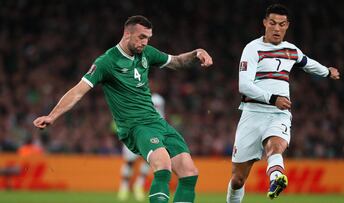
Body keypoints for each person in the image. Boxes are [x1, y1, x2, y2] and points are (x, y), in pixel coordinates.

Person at [33, 15, 212, 203]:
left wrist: (196, 53)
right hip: (135, 126)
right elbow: (78, 91)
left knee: (189, 172)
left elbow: (176, 61)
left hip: (157, 122)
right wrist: (52, 116)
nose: (145, 42)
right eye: (141, 37)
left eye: (148, 38)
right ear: (127, 34)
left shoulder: (147, 53)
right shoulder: (107, 62)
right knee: (163, 165)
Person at [226, 4, 340, 203]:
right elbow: (244, 85)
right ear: (264, 23)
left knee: (275, 147)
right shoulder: (253, 49)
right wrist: (273, 98)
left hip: (279, 114)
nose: (276, 28)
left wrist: (327, 71)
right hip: (252, 113)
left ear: (287, 26)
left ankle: (276, 178)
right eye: (272, 23)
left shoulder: (291, 50)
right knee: (237, 179)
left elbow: (308, 63)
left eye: (281, 24)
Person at [118, 93, 165, 202]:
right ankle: (124, 187)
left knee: (148, 161)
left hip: (149, 135)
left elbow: (161, 118)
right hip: (133, 134)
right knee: (129, 162)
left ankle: (138, 185)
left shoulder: (158, 99)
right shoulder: (132, 96)